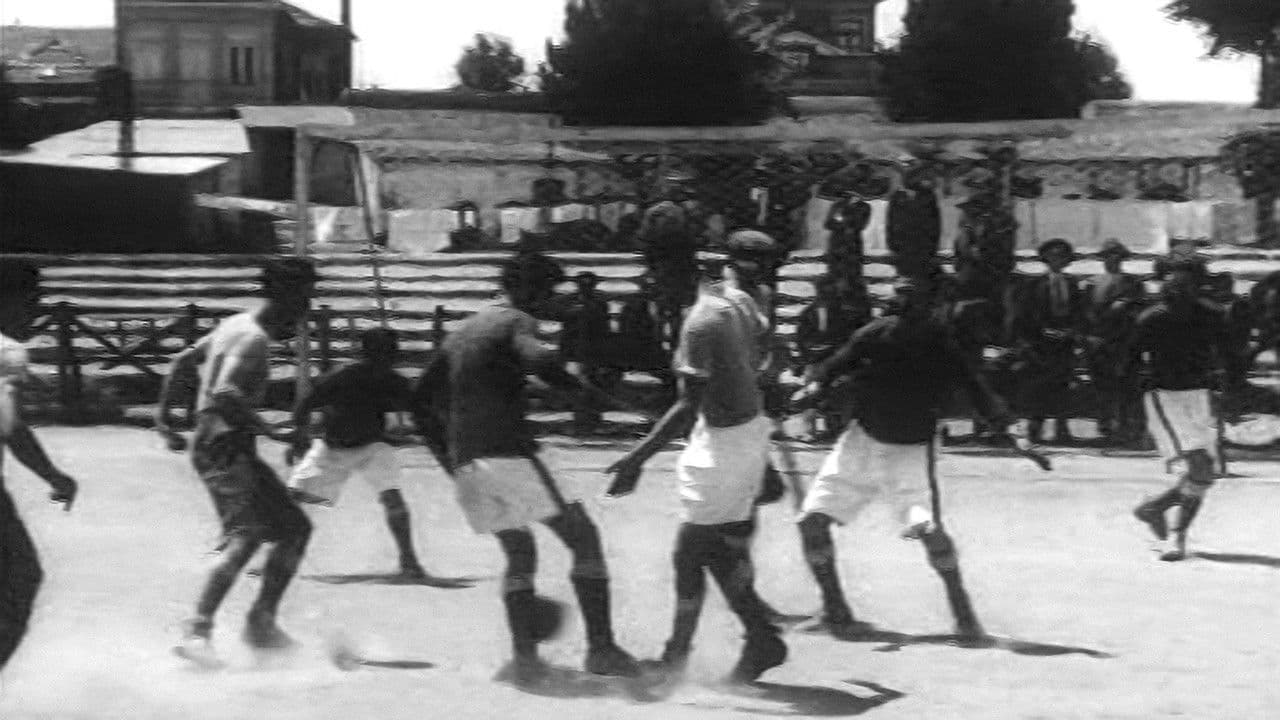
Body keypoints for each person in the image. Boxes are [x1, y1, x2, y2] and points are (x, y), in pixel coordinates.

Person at [409, 253, 639, 684]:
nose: (553, 300)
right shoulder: (517, 320)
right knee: (583, 538)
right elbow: (539, 360)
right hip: (510, 452)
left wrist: (450, 461)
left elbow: (420, 400)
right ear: (529, 290)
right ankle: (602, 649)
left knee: (519, 553)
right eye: (550, 292)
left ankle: (526, 660)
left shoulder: (463, 331)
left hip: (469, 461)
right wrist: (581, 389)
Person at [790, 278, 1043, 640]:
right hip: (862, 442)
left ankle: (963, 614)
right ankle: (837, 609)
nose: (901, 306)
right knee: (814, 523)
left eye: (909, 298)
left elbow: (978, 390)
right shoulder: (882, 334)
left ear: (928, 307)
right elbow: (833, 367)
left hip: (908, 450)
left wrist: (1011, 430)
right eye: (900, 297)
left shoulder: (936, 343)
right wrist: (813, 388)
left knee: (927, 530)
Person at [604, 252, 787, 684]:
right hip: (736, 432)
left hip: (725, 443)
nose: (651, 286)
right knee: (707, 550)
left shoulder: (700, 323)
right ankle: (740, 641)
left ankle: (729, 644)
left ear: (685, 276)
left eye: (658, 277)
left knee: (693, 550)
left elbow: (687, 405)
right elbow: (766, 340)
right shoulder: (735, 301)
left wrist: (635, 459)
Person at [155, 257, 319, 668]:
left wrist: (164, 418)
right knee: (246, 535)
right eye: (304, 298)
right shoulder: (253, 339)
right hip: (223, 445)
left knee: (294, 529)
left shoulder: (234, 324)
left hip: (226, 444)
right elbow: (225, 393)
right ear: (287, 296)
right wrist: (273, 431)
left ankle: (261, 622)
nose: (306, 309)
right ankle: (197, 631)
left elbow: (182, 362)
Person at [285, 328, 454, 584]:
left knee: (392, 499)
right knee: (293, 500)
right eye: (388, 352)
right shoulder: (345, 376)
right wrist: (299, 437)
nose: (391, 357)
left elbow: (420, 412)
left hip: (371, 445)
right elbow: (305, 405)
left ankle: (410, 562)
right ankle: (276, 559)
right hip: (334, 448)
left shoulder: (388, 380)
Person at [0, 260, 78, 673]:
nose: (37, 310)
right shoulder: (7, 352)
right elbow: (12, 429)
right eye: (32, 300)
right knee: (22, 578)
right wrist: (55, 477)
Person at [1129, 264, 1232, 562]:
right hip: (1165, 396)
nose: (1179, 288)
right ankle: (1177, 536)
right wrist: (1131, 405)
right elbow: (1129, 361)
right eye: (1174, 283)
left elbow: (1229, 356)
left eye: (1187, 283)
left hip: (1200, 395)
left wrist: (1229, 391)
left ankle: (1154, 507)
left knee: (1206, 472)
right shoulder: (1151, 318)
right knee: (1200, 467)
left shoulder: (1211, 315)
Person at [1013, 239, 1083, 445]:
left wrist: (1072, 332)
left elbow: (1079, 312)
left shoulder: (1072, 284)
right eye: (1053, 256)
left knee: (1064, 383)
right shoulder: (1035, 285)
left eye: (1062, 257)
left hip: (1065, 343)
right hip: (1042, 344)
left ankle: (1062, 429)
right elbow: (1026, 315)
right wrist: (1041, 333)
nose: (1057, 260)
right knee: (1039, 385)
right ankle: (1036, 428)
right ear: (1046, 259)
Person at [1081, 240, 1146, 445]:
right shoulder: (1091, 284)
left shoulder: (1133, 284)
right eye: (1108, 255)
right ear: (1103, 259)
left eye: (1117, 256)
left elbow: (1139, 314)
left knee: (1127, 387)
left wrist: (1124, 307)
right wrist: (1089, 338)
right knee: (1102, 387)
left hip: (1125, 343)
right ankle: (1106, 428)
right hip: (1099, 344)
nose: (1113, 260)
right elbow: (1085, 314)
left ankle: (1126, 428)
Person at [795, 276, 870, 441]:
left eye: (832, 292)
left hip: (839, 361)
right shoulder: (809, 313)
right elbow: (803, 340)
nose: (828, 296)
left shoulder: (847, 314)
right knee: (812, 390)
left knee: (837, 392)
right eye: (824, 292)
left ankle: (835, 427)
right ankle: (810, 430)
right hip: (818, 361)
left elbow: (851, 340)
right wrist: (810, 359)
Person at [561, 271, 612, 432]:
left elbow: (605, 328)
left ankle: (592, 419)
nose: (586, 287)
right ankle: (580, 420)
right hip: (575, 350)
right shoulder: (570, 303)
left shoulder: (600, 304)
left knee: (593, 384)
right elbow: (566, 331)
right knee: (577, 385)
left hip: (594, 350)